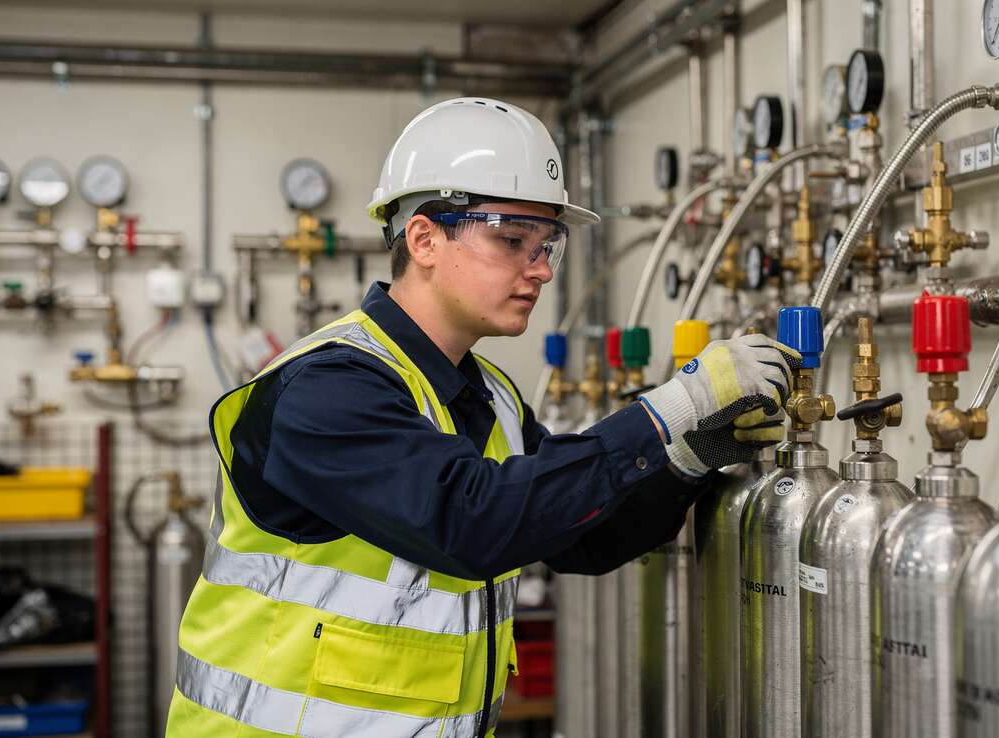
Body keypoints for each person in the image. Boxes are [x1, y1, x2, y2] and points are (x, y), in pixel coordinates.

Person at [166, 97, 800, 738]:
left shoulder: (488, 394)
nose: (541, 271)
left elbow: (578, 537)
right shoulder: (326, 387)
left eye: (548, 244)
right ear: (423, 238)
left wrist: (683, 460)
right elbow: (470, 523)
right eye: (510, 240)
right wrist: (673, 406)